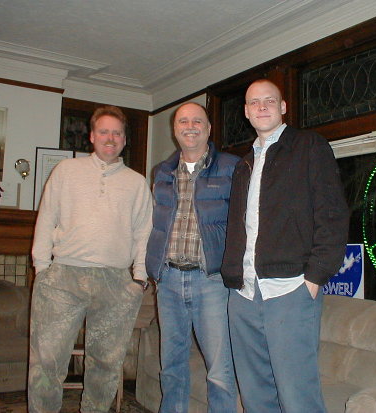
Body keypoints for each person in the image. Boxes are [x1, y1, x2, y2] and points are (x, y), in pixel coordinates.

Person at [221, 79, 350, 413]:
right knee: (255, 396)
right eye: (254, 102)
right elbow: (239, 227)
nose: (262, 107)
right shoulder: (244, 164)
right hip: (244, 294)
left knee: (297, 397)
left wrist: (315, 277)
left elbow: (333, 214)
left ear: (283, 107)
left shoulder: (309, 146)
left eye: (269, 100)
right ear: (246, 112)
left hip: (290, 290)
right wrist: (232, 277)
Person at [28, 105, 153, 413]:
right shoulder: (65, 171)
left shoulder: (137, 183)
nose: (110, 138)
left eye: (117, 133)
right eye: (104, 131)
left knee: (106, 366)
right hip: (62, 278)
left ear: (124, 139)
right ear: (92, 136)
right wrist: (42, 268)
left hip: (116, 283)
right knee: (46, 363)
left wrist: (138, 279)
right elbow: (46, 218)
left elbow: (144, 233)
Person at [146, 102, 239, 413]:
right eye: (183, 121)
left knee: (219, 369)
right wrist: (153, 269)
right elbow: (156, 223)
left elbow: (245, 223)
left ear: (209, 128)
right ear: (174, 130)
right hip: (168, 281)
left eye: (197, 121)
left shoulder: (232, 167)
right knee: (171, 365)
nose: (190, 126)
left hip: (211, 281)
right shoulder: (162, 172)